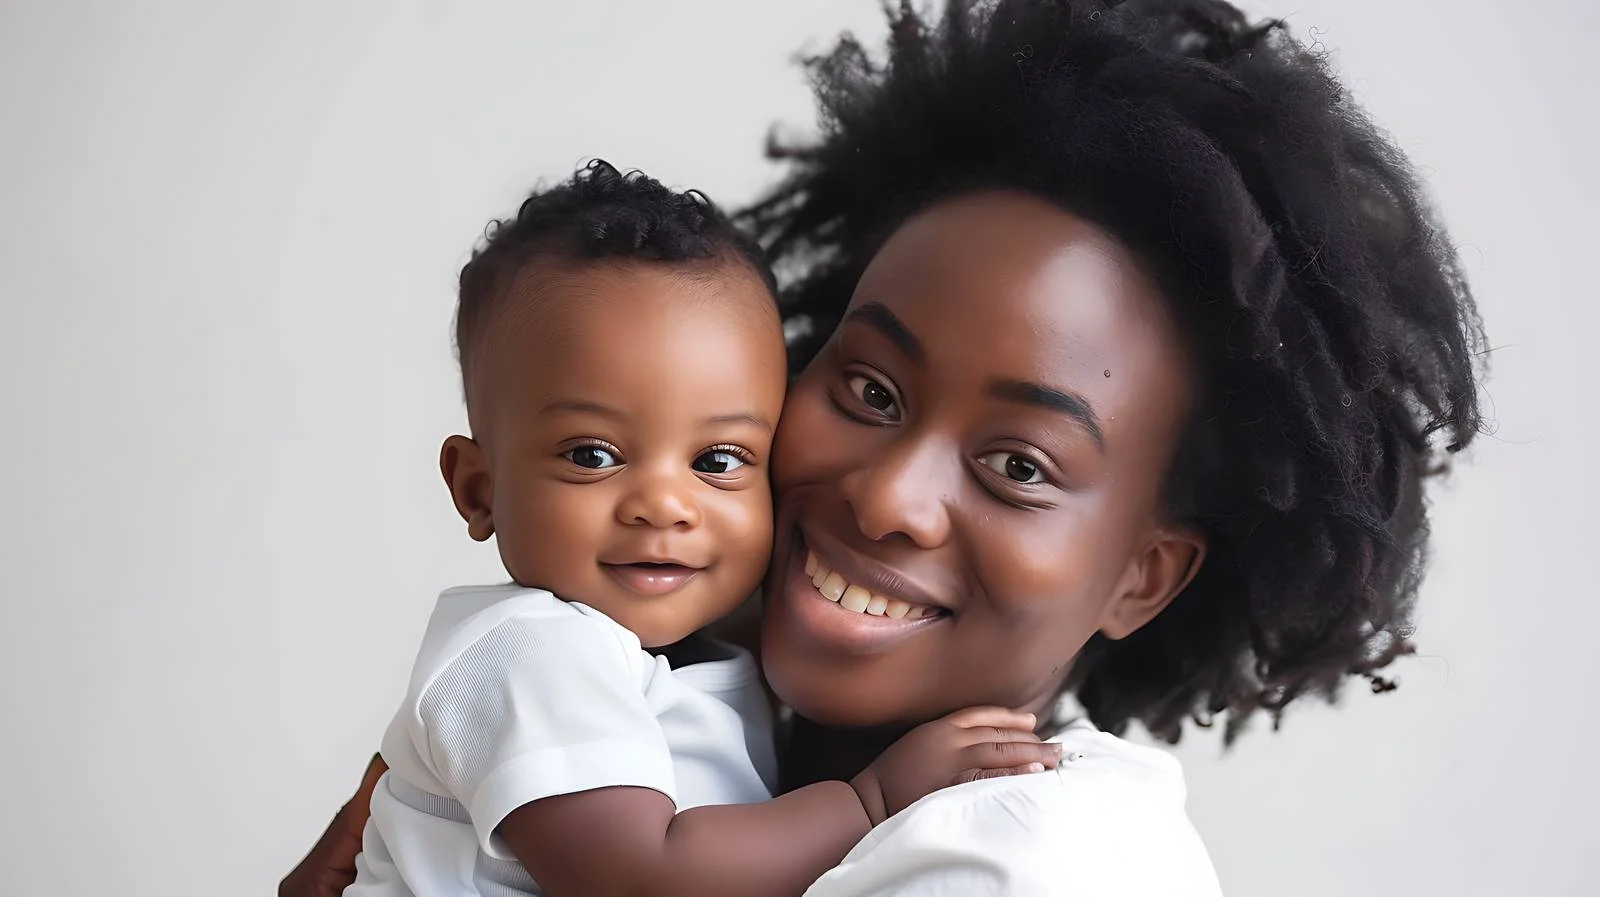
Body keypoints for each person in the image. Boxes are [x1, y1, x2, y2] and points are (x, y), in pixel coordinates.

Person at [283, 1, 1484, 894]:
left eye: (1019, 465)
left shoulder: (1023, 861)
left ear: (1141, 575)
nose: (889, 498)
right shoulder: (658, 690)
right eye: (867, 387)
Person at [344, 159, 1063, 897]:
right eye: (593, 455)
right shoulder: (532, 650)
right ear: (479, 490)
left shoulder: (703, 655)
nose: (664, 505)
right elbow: (641, 877)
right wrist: (873, 801)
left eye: (717, 460)